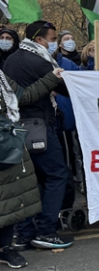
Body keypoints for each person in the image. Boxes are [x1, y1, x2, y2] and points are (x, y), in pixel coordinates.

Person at [3, 21, 73, 250]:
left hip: (16, 128)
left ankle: (24, 234)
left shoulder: (12, 59)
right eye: (53, 39)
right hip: (38, 126)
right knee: (57, 175)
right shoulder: (37, 60)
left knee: (28, 181)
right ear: (40, 40)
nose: (54, 43)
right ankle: (46, 230)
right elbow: (64, 88)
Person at [0, 66, 65, 268]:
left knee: (9, 196)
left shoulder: (1, 78)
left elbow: (24, 96)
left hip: (5, 143)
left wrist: (50, 78)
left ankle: (4, 248)